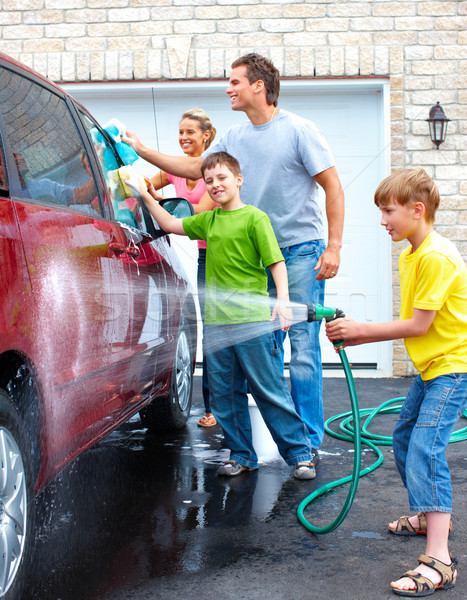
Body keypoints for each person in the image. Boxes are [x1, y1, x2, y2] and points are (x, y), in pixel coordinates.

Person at [123, 53, 345, 462]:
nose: (228, 88)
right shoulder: (235, 137)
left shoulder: (299, 130)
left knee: (301, 345)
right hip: (252, 257)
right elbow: (193, 166)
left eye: (234, 82)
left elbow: (333, 187)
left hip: (298, 251)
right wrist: (143, 151)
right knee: (262, 348)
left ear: (257, 86)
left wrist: (333, 247)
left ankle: (309, 441)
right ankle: (260, 445)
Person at [131, 151, 317, 480]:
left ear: (238, 180)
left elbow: (276, 262)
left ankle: (300, 454)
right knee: (223, 393)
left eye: (222, 178)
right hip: (217, 324)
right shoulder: (208, 220)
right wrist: (146, 196)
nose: (216, 185)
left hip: (253, 322)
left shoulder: (255, 219)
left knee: (267, 388)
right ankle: (242, 454)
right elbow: (171, 224)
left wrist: (284, 301)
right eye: (210, 181)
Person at [325, 169, 466, 596]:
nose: (383, 220)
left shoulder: (435, 257)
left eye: (388, 211)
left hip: (453, 367)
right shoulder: (411, 252)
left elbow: (420, 326)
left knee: (425, 447)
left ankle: (440, 560)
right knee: (404, 439)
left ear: (416, 210)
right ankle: (428, 515)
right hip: (431, 367)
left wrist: (360, 331)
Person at [149, 108, 218, 428]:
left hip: (227, 254)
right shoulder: (175, 171)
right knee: (210, 333)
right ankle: (214, 406)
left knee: (222, 332)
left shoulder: (213, 170)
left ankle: (220, 406)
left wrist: (162, 208)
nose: (183, 138)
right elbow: (146, 187)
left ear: (206, 135)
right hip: (206, 255)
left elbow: (196, 216)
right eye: (180, 132)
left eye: (190, 132)